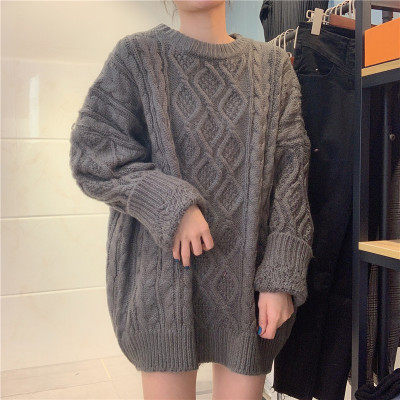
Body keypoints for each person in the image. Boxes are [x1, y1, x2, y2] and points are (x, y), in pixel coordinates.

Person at [68, 1, 314, 399]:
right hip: (161, 288)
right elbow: (92, 154)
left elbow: (292, 178)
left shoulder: (273, 68)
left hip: (249, 290)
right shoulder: (136, 57)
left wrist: (281, 276)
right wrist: (170, 204)